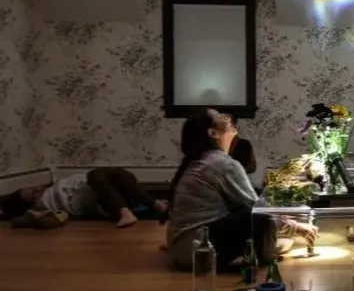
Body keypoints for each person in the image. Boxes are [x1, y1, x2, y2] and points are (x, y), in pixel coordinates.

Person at [167, 109, 318, 271]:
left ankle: (257, 250)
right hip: (200, 250)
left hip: (182, 249)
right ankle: (253, 256)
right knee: (258, 217)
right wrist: (296, 227)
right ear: (213, 133)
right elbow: (257, 210)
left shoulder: (202, 161)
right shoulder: (222, 163)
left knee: (257, 217)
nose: (226, 118)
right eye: (220, 117)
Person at [1, 167, 169, 229]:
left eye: (33, 188)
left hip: (105, 188)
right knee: (95, 175)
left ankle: (156, 205)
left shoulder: (51, 187)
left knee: (119, 174)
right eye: (32, 193)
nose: (37, 189)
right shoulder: (41, 207)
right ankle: (127, 211)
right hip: (98, 200)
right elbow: (22, 220)